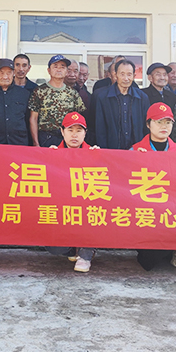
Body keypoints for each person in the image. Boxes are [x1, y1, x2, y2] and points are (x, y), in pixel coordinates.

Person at [131, 102, 176, 274]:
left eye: (168, 122)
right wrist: (134, 161)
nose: (164, 126)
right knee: (149, 260)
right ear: (148, 124)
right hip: (149, 211)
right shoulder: (135, 151)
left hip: (175, 210)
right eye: (159, 122)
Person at [46, 112, 99, 273]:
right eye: (70, 130)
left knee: (94, 213)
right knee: (54, 247)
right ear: (62, 132)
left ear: (85, 133)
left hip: (86, 207)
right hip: (63, 208)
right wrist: (46, 159)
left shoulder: (94, 153)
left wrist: (100, 158)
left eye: (79, 130)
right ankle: (71, 250)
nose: (74, 135)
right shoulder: (53, 152)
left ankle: (86, 254)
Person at [28, 55, 86, 147]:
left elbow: (79, 119)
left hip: (67, 138)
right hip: (46, 138)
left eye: (62, 67)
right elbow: (33, 118)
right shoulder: (39, 91)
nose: (59, 70)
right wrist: (36, 143)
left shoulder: (73, 93)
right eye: (55, 67)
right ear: (49, 70)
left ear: (66, 71)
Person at [93, 59, 149, 149]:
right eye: (122, 74)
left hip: (136, 150)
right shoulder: (103, 97)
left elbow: (146, 127)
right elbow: (100, 129)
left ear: (134, 76)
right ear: (115, 75)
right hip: (111, 150)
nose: (126, 78)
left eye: (129, 74)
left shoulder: (142, 97)